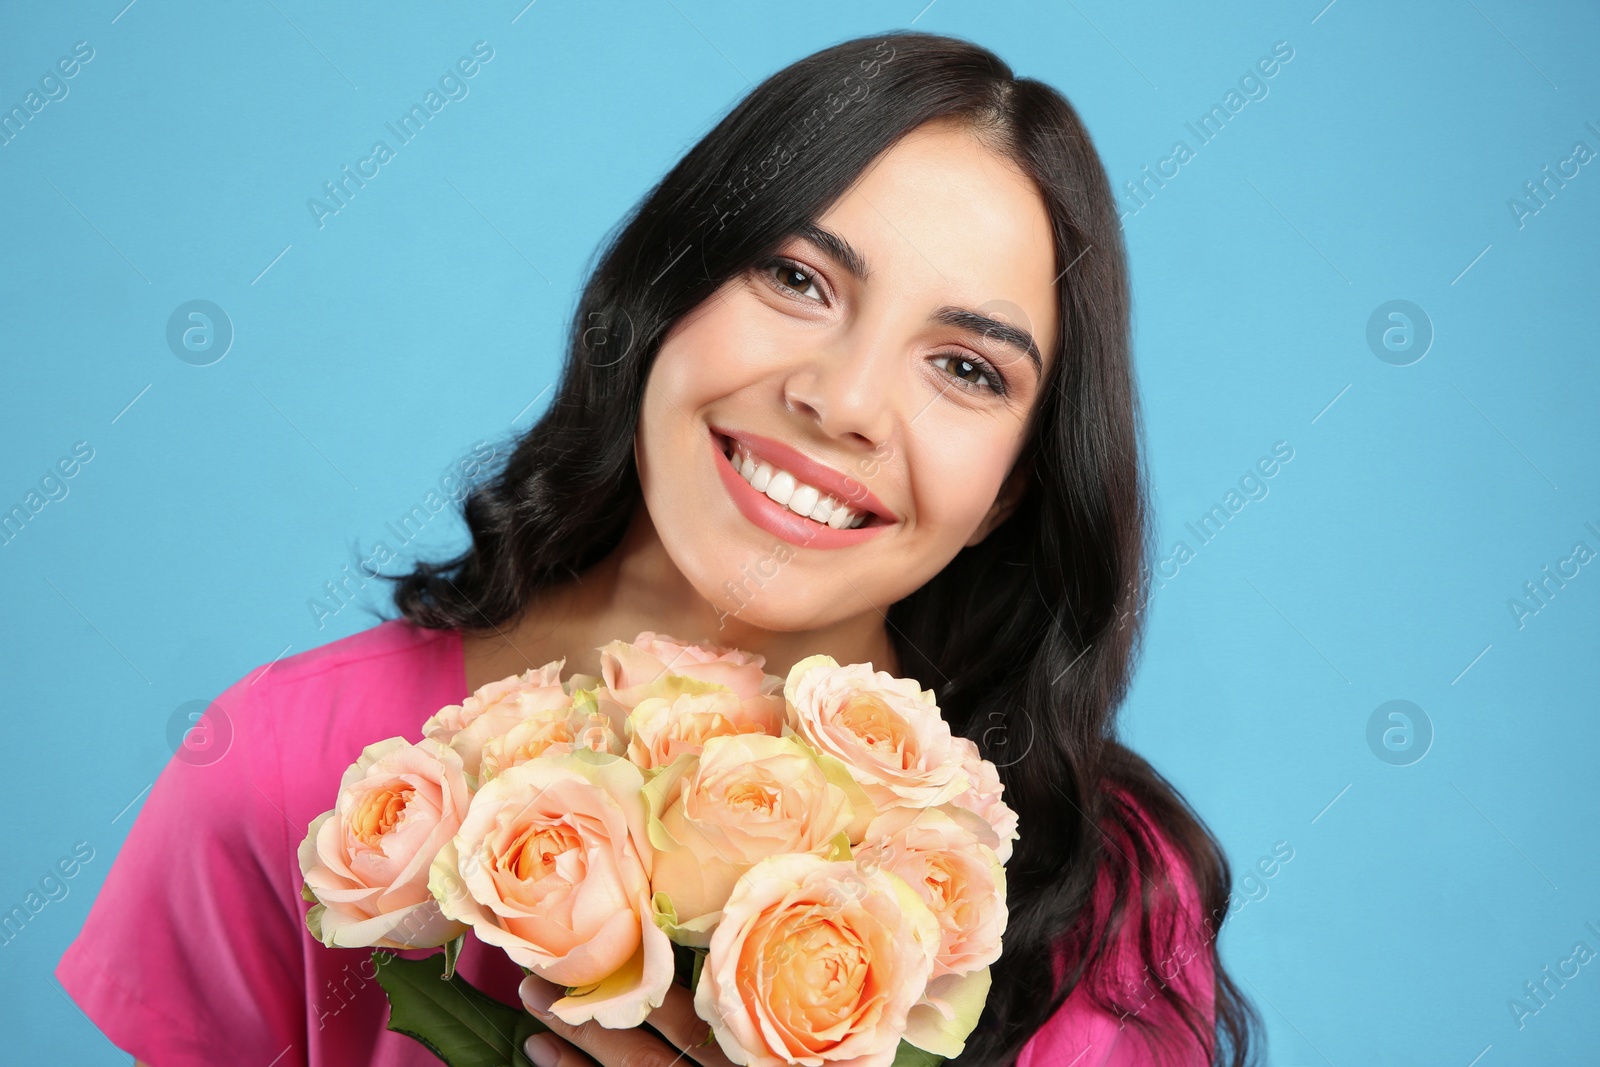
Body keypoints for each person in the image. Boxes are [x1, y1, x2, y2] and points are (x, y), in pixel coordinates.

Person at [56, 30, 1260, 1067]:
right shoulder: (281, 763)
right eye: (796, 276)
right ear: (664, 294)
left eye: (964, 367)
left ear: (1010, 491)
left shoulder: (1093, 894)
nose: (842, 402)